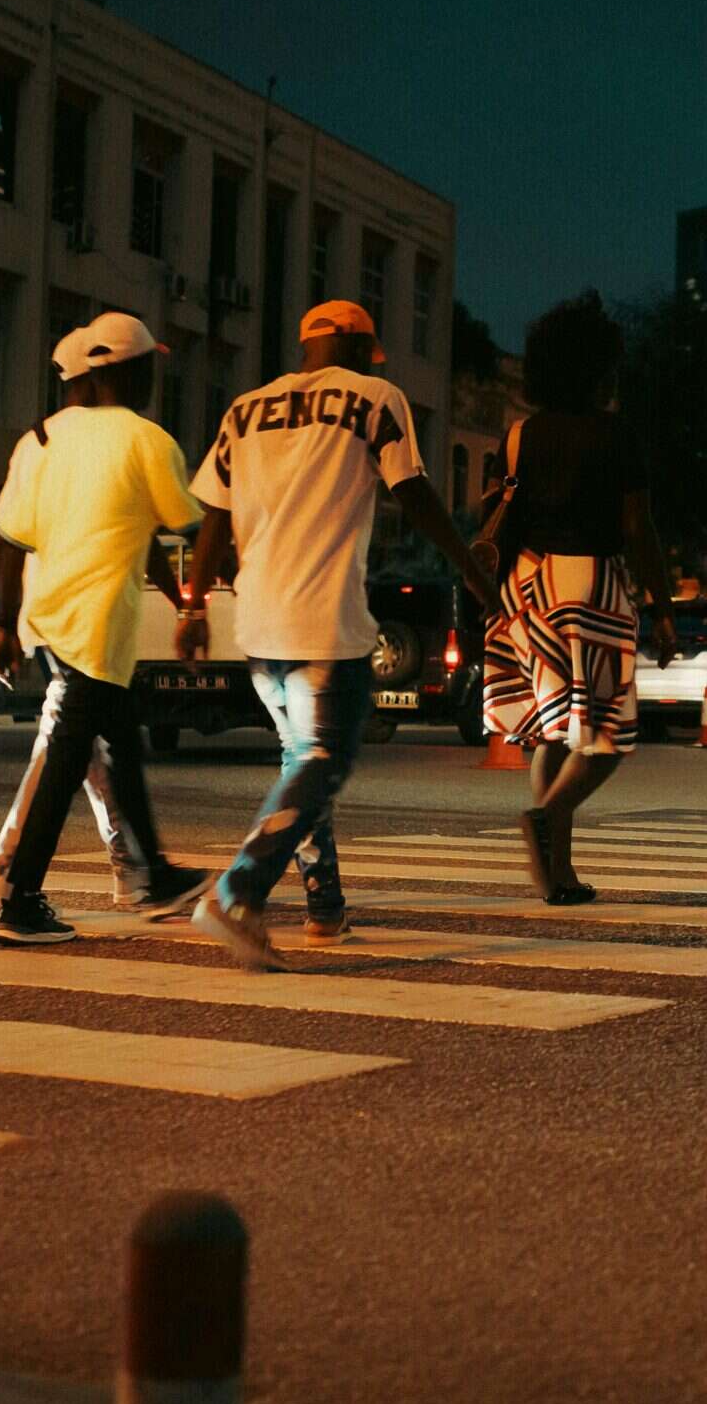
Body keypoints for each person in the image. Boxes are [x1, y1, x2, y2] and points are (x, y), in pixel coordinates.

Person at [180, 299, 495, 967]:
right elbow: (411, 491)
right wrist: (469, 570)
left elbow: (213, 513)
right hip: (322, 617)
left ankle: (324, 911)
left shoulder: (245, 408)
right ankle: (237, 892)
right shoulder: (377, 398)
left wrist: (193, 606)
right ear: (356, 345)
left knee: (304, 765)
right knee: (326, 760)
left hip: (258, 620)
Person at [0, 312, 209, 945]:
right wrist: (198, 603)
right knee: (67, 759)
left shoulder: (46, 438)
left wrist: (4, 626)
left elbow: (8, 537)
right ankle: (19, 900)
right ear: (135, 371)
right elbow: (190, 526)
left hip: (51, 618)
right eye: (152, 367)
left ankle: (156, 873)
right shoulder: (147, 440)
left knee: (122, 743)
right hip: (100, 622)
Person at [481, 291, 677, 905]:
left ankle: (557, 875)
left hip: (529, 586)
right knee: (606, 737)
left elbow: (496, 511)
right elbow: (637, 527)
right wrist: (664, 605)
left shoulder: (520, 434)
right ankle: (549, 815)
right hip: (591, 585)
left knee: (550, 734)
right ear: (598, 368)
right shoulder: (616, 435)